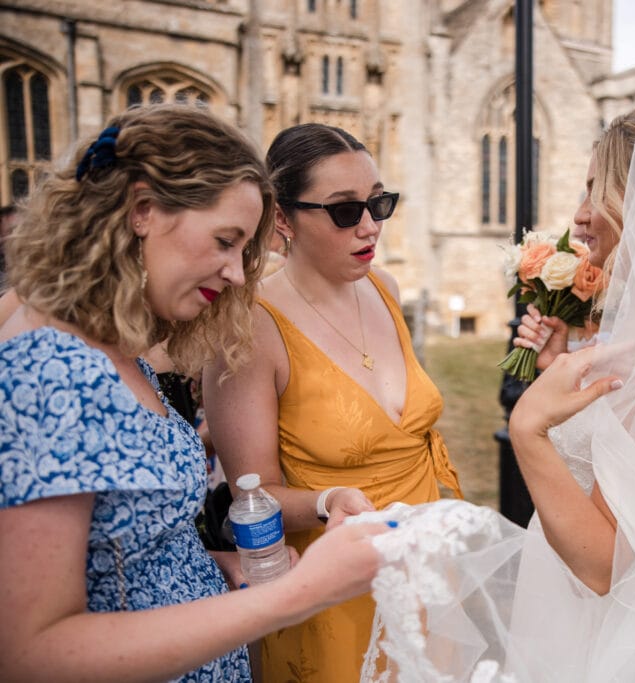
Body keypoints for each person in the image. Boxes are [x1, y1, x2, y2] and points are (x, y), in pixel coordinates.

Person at [355, 82, 635, 681]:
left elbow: (606, 563)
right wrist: (560, 368)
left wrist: (529, 428)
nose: (579, 215)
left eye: (594, 190)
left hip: (611, 632)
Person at [0, 104, 386, 682]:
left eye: (243, 250)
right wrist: (299, 594)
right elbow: (31, 653)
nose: (236, 273)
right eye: (225, 241)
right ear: (141, 212)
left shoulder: (115, 346)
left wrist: (212, 564)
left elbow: (111, 557)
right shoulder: (49, 369)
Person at [202, 123, 462, 683]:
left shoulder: (384, 288)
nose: (370, 226)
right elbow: (253, 496)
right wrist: (326, 501)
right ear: (282, 221)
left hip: (425, 565)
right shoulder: (248, 328)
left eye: (379, 203)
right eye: (345, 210)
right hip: (332, 588)